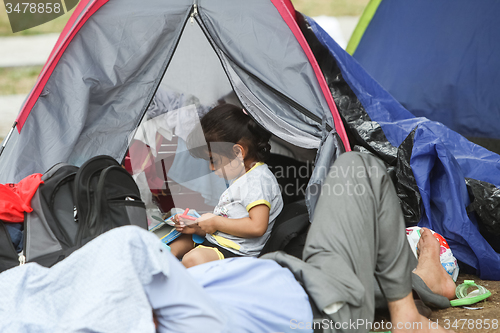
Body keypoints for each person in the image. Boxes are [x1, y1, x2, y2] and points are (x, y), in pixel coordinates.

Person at [168, 103, 283, 268]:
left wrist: (215, 222)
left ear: (238, 152)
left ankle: (176, 274)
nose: (211, 167)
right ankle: (166, 260)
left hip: (234, 252)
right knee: (173, 246)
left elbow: (257, 226)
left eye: (214, 160)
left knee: (192, 259)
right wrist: (198, 226)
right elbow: (230, 222)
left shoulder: (258, 180)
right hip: (218, 241)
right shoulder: (244, 177)